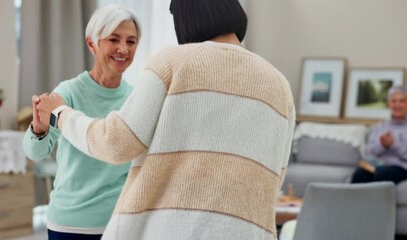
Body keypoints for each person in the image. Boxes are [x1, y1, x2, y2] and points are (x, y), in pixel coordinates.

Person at [36, 0, 295, 239]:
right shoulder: (280, 86)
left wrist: (60, 114)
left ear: (186, 17)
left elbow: (116, 143)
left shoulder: (173, 62)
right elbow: (275, 176)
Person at [22, 5, 141, 240]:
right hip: (71, 224)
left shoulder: (135, 97)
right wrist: (39, 128)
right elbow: (34, 152)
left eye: (131, 41)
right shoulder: (69, 92)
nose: (123, 49)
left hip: (120, 222)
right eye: (114, 39)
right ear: (92, 44)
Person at [351, 86, 407, 184]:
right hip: (379, 165)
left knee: (382, 177)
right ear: (389, 104)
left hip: (403, 167)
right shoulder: (381, 126)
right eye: (393, 101)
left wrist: (394, 145)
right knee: (359, 175)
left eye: (401, 101)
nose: (397, 105)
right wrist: (382, 145)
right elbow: (368, 151)